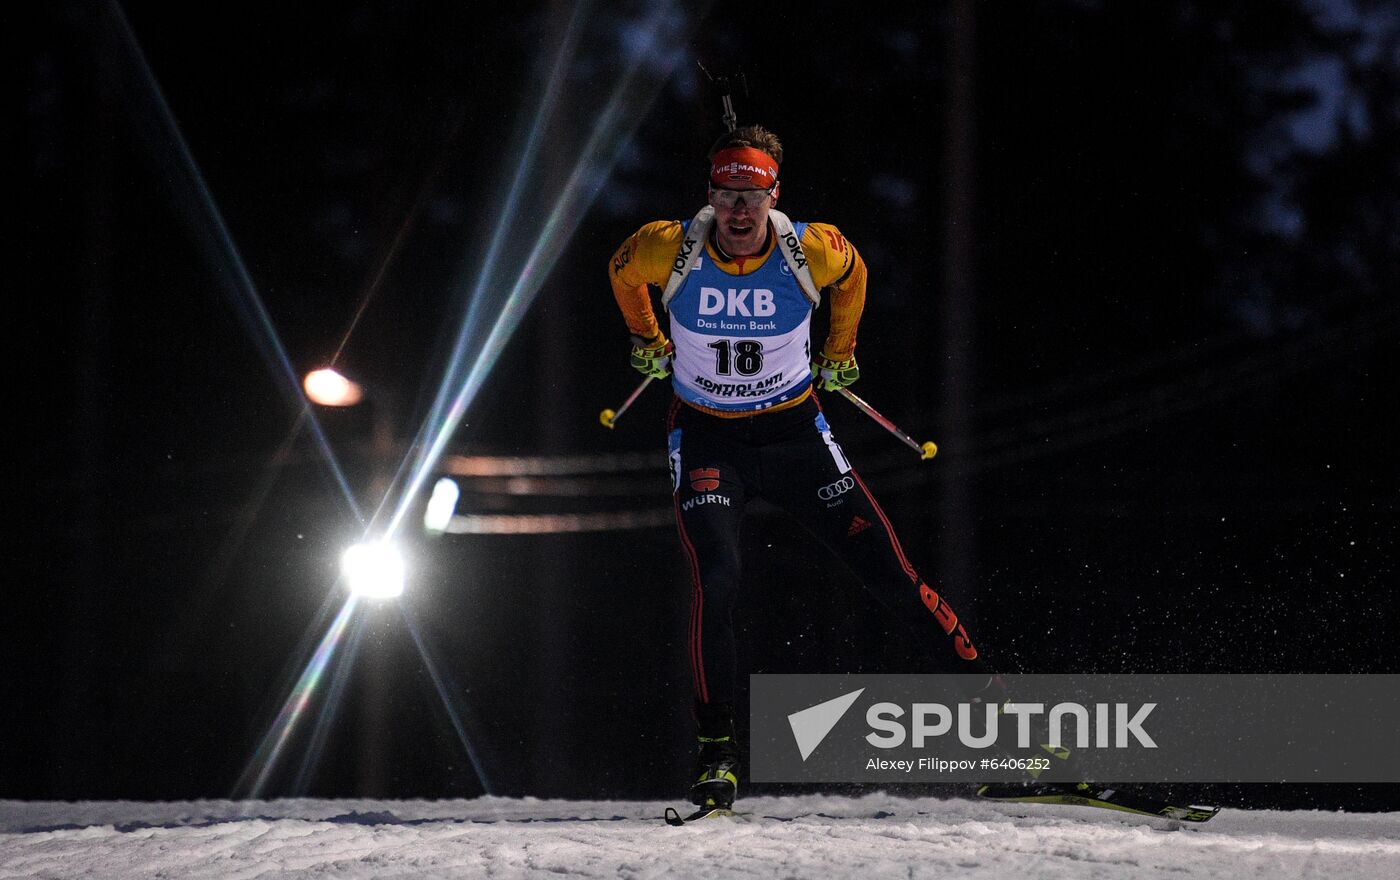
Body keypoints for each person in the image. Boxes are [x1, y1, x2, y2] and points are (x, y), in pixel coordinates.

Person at [607, 125, 1002, 811]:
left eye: (752, 198)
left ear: (774, 197)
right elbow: (622, 273)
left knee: (892, 575)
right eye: (727, 196)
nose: (738, 212)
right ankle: (717, 757)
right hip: (708, 441)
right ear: (709, 196)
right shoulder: (666, 246)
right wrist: (646, 336)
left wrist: (841, 350)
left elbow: (855, 275)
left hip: (796, 437)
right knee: (718, 580)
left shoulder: (811, 249)